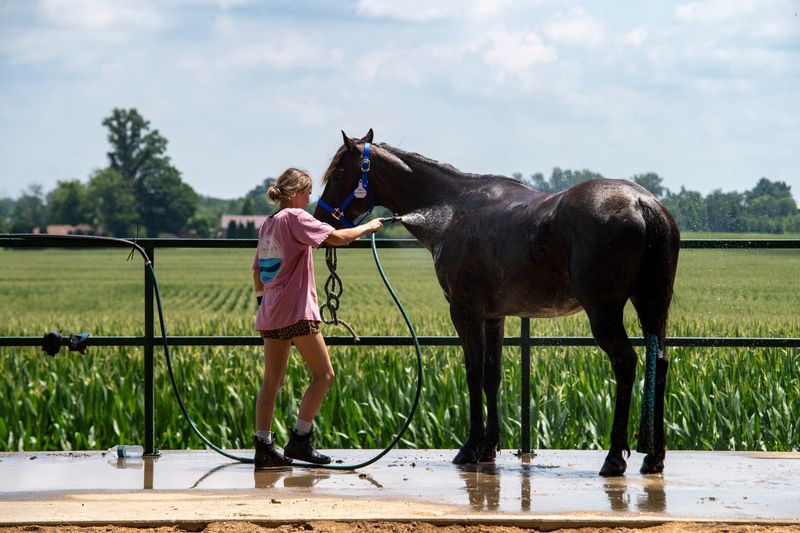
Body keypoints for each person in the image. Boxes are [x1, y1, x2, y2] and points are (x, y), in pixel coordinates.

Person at [251, 167, 383, 469]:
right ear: (296, 193)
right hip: (297, 311)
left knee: (271, 381)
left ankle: (264, 446)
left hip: (270, 312)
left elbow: (258, 271)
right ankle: (300, 438)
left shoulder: (268, 223)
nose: (310, 199)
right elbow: (336, 237)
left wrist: (263, 302)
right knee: (324, 375)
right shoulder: (296, 217)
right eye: (308, 193)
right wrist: (368, 227)